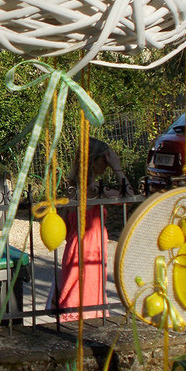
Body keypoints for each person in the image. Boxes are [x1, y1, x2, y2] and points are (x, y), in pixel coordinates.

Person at [54, 137, 133, 321]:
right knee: (86, 305)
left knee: (78, 301)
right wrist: (118, 168)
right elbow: (129, 196)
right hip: (90, 252)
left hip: (75, 249)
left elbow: (64, 224)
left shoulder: (73, 188)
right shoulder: (93, 189)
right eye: (104, 159)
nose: (107, 164)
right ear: (93, 160)